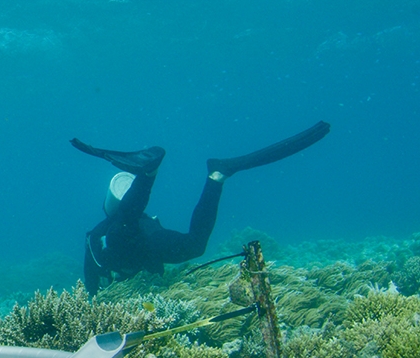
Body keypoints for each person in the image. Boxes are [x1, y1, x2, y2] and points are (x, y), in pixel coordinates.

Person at [72, 121, 330, 291]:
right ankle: (216, 176)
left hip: (129, 239)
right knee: (192, 244)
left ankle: (149, 174)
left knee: (124, 226)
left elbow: (92, 281)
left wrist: (94, 297)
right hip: (148, 240)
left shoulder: (99, 234)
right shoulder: (123, 226)